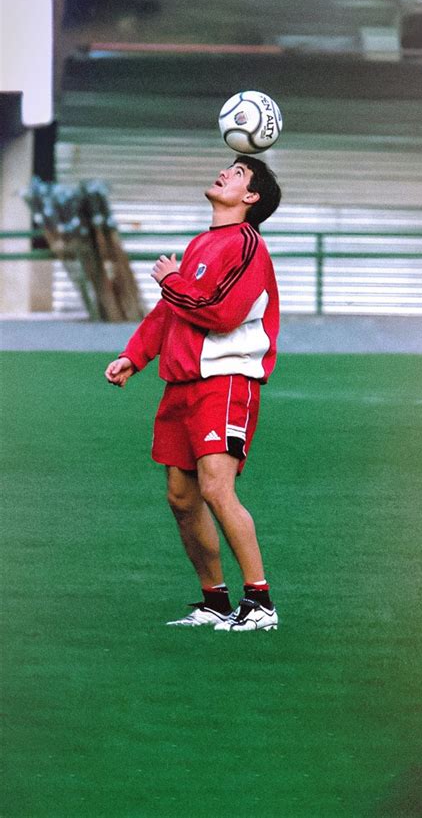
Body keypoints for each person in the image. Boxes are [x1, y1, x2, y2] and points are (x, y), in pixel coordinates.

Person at [105, 154, 281, 631]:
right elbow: (172, 314)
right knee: (182, 497)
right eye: (229, 167)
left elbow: (220, 313)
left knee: (216, 489)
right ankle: (215, 601)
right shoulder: (202, 242)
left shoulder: (247, 245)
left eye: (239, 173)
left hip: (224, 383)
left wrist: (171, 280)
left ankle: (260, 603)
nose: (225, 172)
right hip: (181, 385)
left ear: (251, 197)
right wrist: (134, 356)